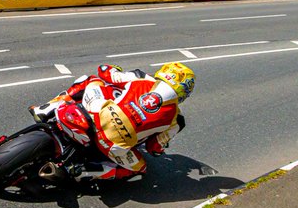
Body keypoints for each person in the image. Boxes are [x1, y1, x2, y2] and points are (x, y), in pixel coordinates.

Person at [29, 62, 194, 181]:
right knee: (140, 169)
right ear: (185, 91)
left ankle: (45, 109)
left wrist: (112, 68)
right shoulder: (176, 121)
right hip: (112, 145)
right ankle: (83, 171)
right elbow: (153, 148)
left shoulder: (142, 78)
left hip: (96, 113)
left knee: (90, 79)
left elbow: (105, 72)